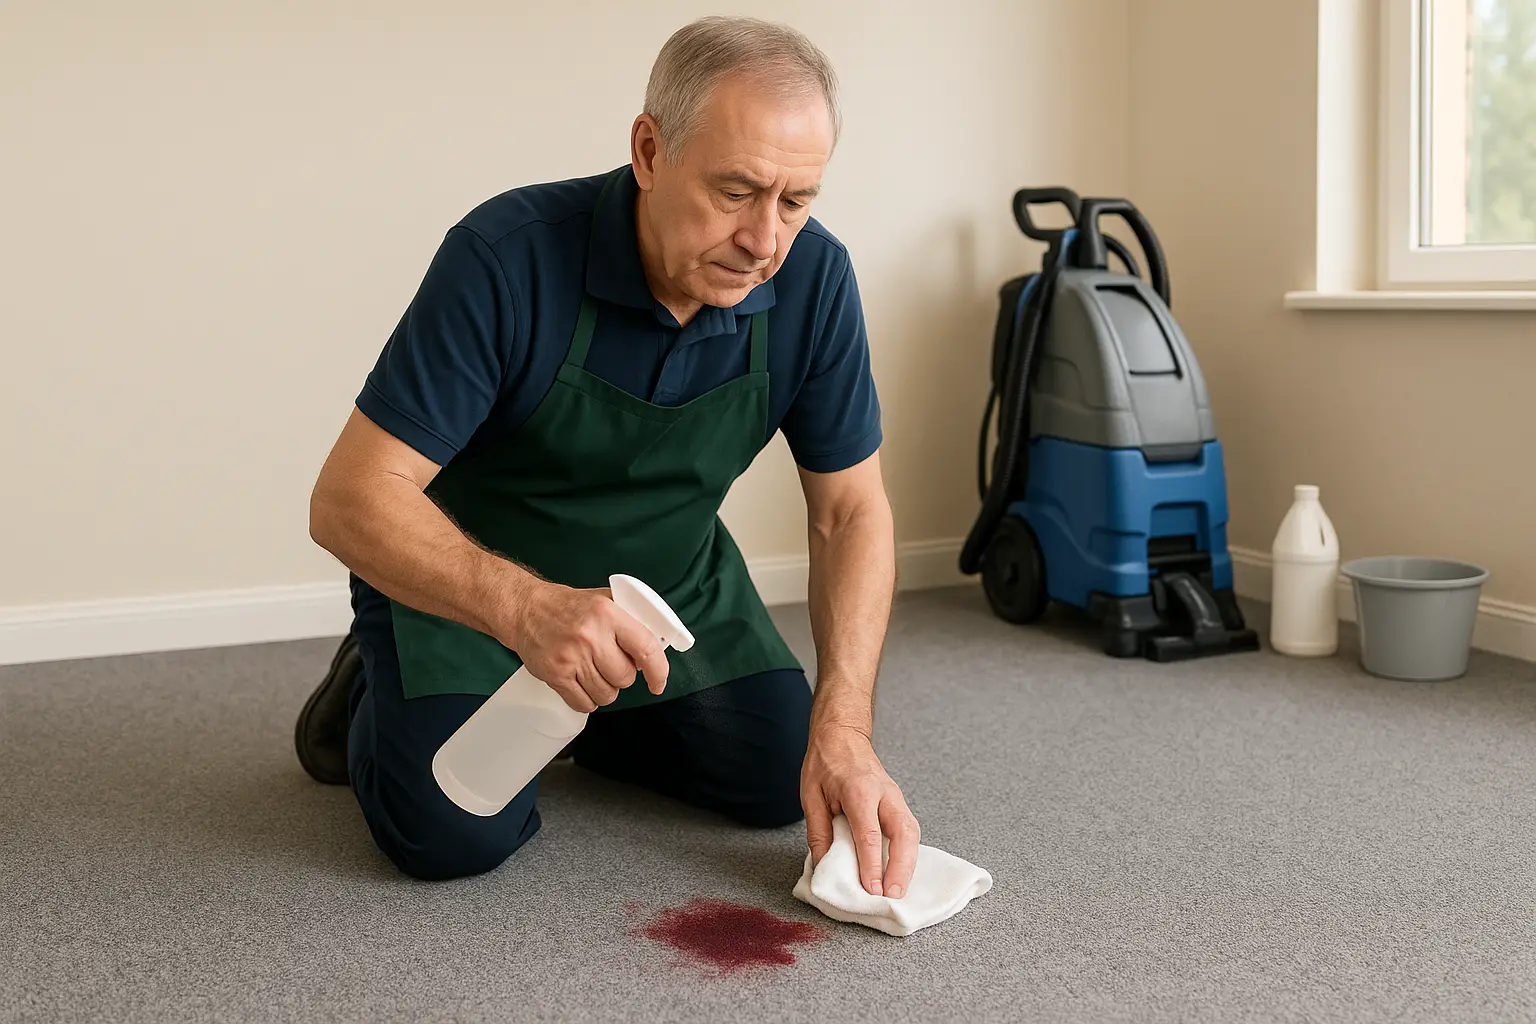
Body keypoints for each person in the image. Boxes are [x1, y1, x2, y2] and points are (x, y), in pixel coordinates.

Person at [297, 15, 920, 900]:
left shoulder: (814, 280)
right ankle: (371, 682)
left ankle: (588, 710)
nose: (764, 241)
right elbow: (348, 498)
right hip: (479, 596)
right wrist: (529, 610)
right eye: (736, 191)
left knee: (782, 774)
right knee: (450, 832)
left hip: (667, 589)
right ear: (650, 151)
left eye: (795, 202)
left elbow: (850, 510)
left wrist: (847, 727)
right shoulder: (507, 256)